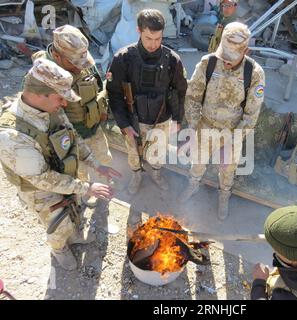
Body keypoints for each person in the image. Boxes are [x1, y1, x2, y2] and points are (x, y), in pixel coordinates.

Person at [0, 58, 121, 270]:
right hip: (41, 191)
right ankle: (59, 249)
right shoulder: (13, 136)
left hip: (66, 175)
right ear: (39, 94)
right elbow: (43, 179)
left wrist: (94, 164)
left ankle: (73, 237)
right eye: (60, 98)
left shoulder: (51, 107)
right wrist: (86, 187)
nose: (65, 104)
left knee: (73, 212)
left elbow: (72, 137)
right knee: (56, 223)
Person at [181, 22, 265, 220]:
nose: (226, 63)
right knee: (197, 162)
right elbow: (192, 97)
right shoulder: (207, 63)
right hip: (204, 126)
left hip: (232, 132)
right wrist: (193, 128)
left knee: (227, 169)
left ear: (246, 50)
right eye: (224, 57)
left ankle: (224, 196)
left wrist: (232, 142)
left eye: (232, 59)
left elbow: (251, 115)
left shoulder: (254, 73)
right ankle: (193, 186)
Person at [106, 8, 188, 194]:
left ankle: (156, 174)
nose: (153, 44)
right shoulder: (123, 58)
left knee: (159, 152)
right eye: (148, 38)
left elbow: (180, 91)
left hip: (162, 119)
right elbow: (114, 94)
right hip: (135, 119)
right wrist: (124, 124)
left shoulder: (172, 60)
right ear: (139, 31)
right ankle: (137, 175)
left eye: (158, 39)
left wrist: (177, 119)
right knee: (134, 152)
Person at [32, 25, 112, 208]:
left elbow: (97, 86)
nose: (80, 66)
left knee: (104, 160)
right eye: (74, 62)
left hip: (92, 127)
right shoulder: (42, 74)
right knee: (79, 171)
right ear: (58, 56)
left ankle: (104, 191)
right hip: (68, 137)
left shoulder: (81, 60)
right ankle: (84, 196)